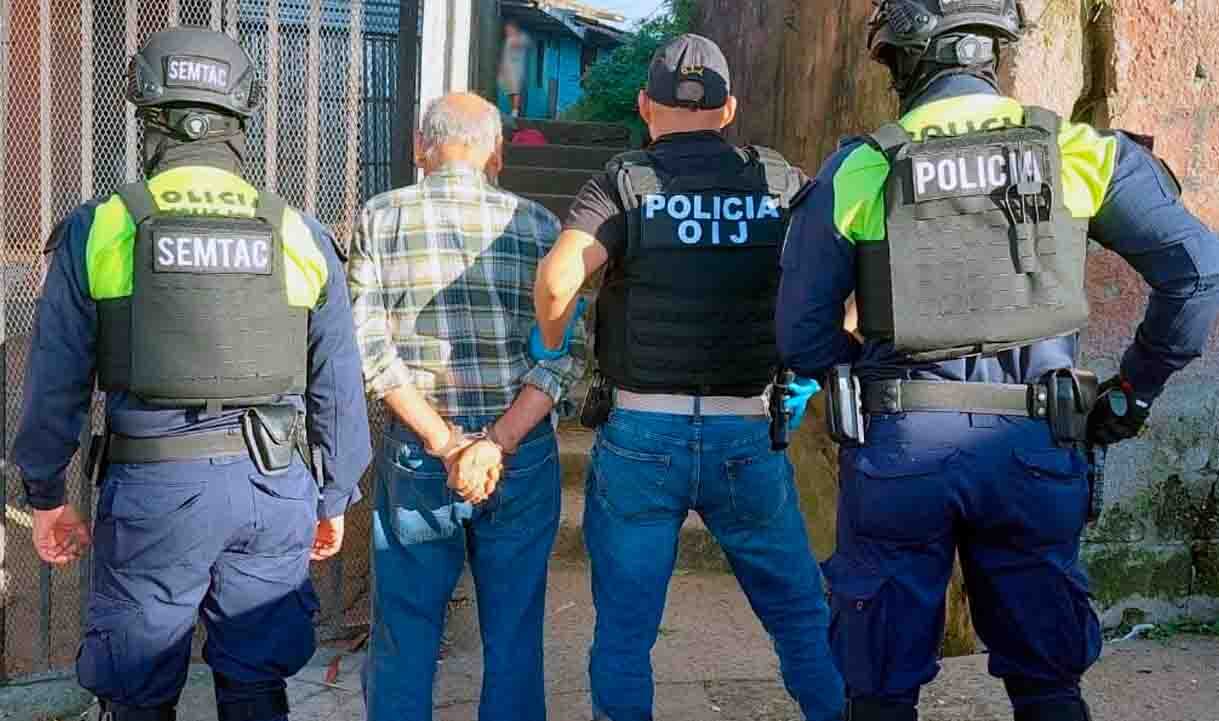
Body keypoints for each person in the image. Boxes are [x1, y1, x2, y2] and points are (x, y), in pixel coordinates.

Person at [776, 2, 1219, 720]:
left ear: (908, 60)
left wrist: (871, 377)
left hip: (900, 452)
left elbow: (800, 336)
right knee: (1048, 684)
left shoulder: (862, 166)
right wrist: (1132, 390)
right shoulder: (1078, 151)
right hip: (1035, 447)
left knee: (878, 686)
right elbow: (1198, 272)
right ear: (991, 54)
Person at [14, 27, 371, 721]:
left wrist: (46, 494)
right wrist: (333, 496)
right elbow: (338, 384)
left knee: (139, 689)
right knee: (257, 684)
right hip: (274, 489)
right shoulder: (301, 232)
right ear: (241, 120)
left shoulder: (103, 226)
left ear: (148, 119)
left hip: (154, 493)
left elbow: (54, 379)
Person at [533, 34, 845, 721]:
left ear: (646, 105)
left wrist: (552, 351)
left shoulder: (621, 181)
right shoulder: (780, 180)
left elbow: (556, 280)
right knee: (798, 615)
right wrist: (807, 376)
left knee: (624, 630)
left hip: (641, 432)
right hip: (746, 434)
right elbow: (838, 290)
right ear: (728, 108)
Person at [349, 92, 586, 721]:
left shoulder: (380, 217)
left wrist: (446, 441)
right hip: (520, 456)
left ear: (419, 149)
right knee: (513, 634)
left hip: (421, 456)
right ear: (498, 154)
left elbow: (369, 349)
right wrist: (495, 442)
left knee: (404, 630)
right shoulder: (538, 226)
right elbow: (564, 354)